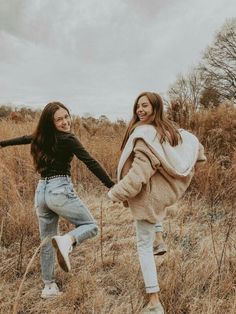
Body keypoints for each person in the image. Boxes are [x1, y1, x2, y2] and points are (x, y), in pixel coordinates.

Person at [0, 102, 114, 299]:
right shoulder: (68, 139)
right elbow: (90, 161)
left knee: (46, 240)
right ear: (50, 122)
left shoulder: (41, 137)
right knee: (90, 225)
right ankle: (67, 241)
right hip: (59, 190)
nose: (65, 122)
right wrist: (111, 185)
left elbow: (25, 138)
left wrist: (2, 143)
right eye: (59, 119)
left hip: (41, 192)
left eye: (66, 116)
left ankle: (49, 287)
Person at [107, 92, 206, 314]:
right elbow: (193, 145)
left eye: (145, 106)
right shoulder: (166, 130)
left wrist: (116, 193)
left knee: (143, 245)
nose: (140, 110)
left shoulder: (145, 136)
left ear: (155, 108)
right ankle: (159, 239)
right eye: (138, 106)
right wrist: (199, 157)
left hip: (147, 198)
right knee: (152, 228)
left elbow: (138, 174)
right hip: (159, 195)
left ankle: (154, 302)